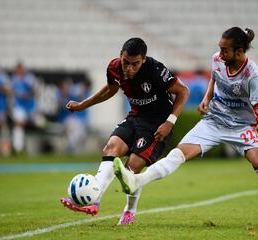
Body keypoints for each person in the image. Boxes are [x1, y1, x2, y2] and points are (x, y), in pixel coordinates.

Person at [113, 27, 258, 228]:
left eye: (225, 51)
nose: (220, 54)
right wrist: (206, 99)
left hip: (241, 126)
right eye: (219, 49)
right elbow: (215, 78)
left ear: (239, 52)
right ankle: (137, 180)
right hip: (214, 120)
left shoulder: (252, 74)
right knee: (178, 154)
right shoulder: (217, 60)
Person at [60, 38, 190, 224]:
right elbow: (112, 88)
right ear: (121, 55)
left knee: (133, 166)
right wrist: (83, 105)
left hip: (157, 122)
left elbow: (183, 91)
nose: (129, 68)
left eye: (134, 64)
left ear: (143, 60)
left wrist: (170, 122)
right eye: (125, 62)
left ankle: (130, 210)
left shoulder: (155, 70)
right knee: (110, 148)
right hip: (135, 116)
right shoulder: (114, 67)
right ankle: (94, 199)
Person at [11, 62, 39, 153]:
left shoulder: (29, 78)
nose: (20, 71)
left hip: (30, 107)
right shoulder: (13, 79)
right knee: (19, 123)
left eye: (21, 69)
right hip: (20, 106)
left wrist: (27, 94)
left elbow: (35, 91)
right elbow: (11, 91)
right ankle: (18, 148)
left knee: (39, 123)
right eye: (18, 69)